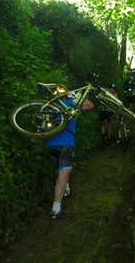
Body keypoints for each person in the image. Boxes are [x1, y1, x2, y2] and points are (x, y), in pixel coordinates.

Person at [46, 85, 94, 219]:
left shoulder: (53, 104)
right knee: (64, 172)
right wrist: (76, 96)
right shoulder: (70, 104)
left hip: (50, 143)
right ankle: (56, 209)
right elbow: (90, 105)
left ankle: (66, 188)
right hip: (65, 143)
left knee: (62, 167)